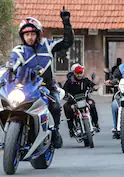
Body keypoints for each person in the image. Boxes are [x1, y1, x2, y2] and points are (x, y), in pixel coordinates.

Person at [8, 10, 74, 148]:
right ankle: (11, 137)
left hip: (47, 87)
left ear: (38, 34)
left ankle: (54, 132)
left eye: (32, 34)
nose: (30, 37)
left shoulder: (47, 45)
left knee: (55, 106)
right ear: (22, 36)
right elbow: (12, 65)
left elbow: (67, 42)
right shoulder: (18, 51)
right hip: (26, 87)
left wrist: (66, 22)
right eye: (27, 34)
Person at [63, 64, 100, 137]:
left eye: (81, 73)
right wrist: (65, 95)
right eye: (78, 73)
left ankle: (95, 124)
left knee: (92, 104)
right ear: (74, 73)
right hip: (73, 101)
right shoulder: (69, 82)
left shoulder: (85, 80)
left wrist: (95, 87)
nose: (79, 75)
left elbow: (92, 85)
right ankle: (71, 129)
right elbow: (64, 90)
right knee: (67, 108)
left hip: (85, 99)